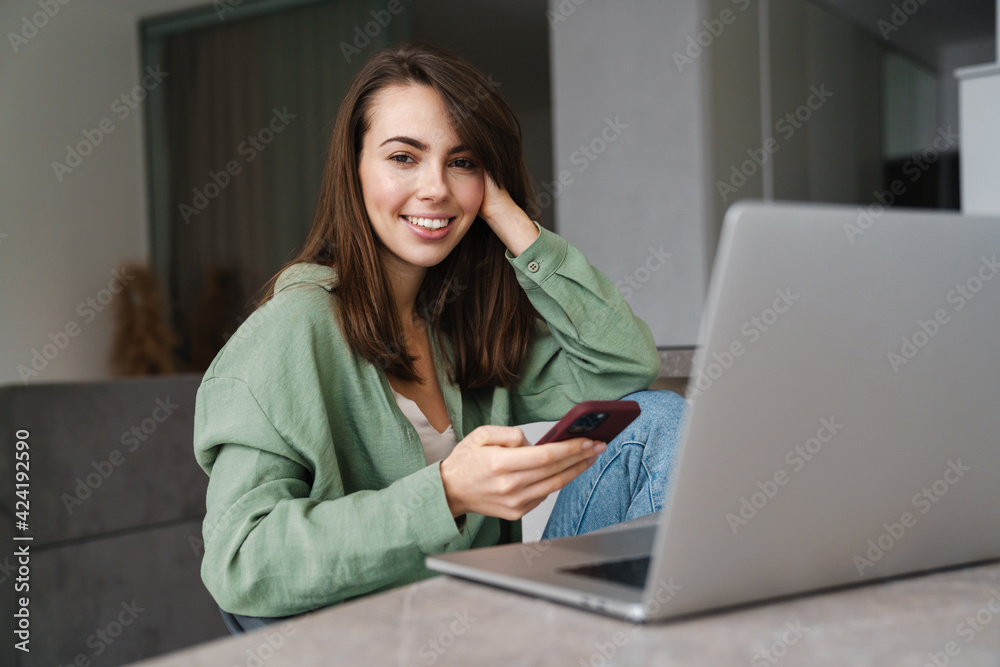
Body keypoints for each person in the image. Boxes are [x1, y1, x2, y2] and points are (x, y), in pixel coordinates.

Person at [193, 41, 687, 632]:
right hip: (376, 638)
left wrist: (512, 223)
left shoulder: (461, 326)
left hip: (483, 620)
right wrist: (447, 492)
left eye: (462, 161)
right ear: (353, 169)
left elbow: (626, 366)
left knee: (655, 420)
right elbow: (240, 561)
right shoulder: (289, 331)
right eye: (404, 157)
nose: (435, 189)